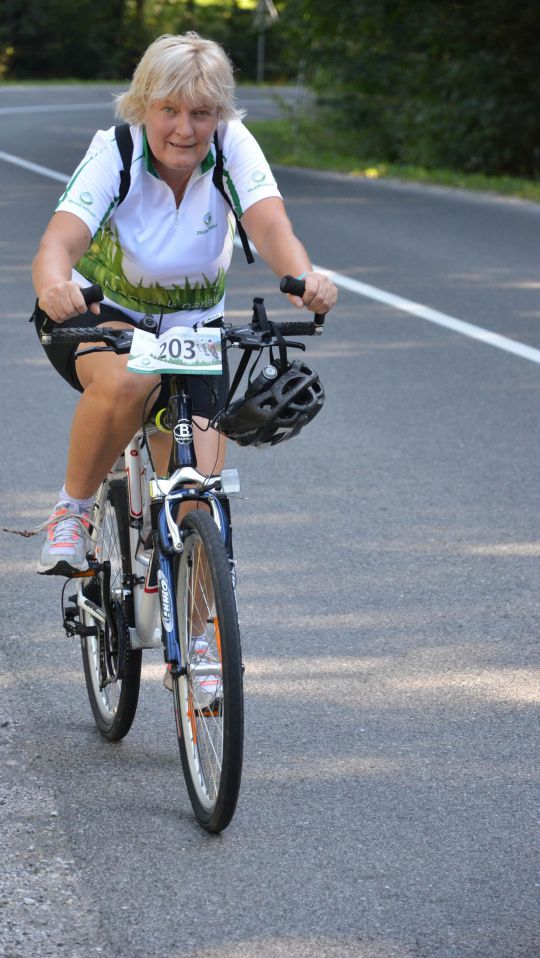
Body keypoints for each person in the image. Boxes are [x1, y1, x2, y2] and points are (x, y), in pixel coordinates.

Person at [32, 31, 338, 577]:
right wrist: (55, 283)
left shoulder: (232, 145)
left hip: (195, 329)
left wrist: (302, 276)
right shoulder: (117, 151)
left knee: (201, 500)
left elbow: (269, 225)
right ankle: (72, 511)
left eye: (201, 113)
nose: (185, 128)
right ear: (143, 106)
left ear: (219, 114)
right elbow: (61, 242)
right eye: (168, 110)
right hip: (101, 313)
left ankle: (200, 648)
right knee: (130, 379)